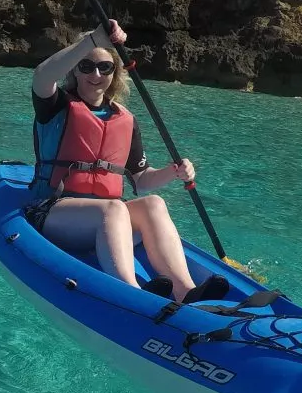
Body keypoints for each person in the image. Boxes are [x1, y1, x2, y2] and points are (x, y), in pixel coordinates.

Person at [29, 21, 228, 304]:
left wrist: (174, 172)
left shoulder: (125, 119)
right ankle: (130, 291)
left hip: (108, 222)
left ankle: (185, 291)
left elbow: (141, 179)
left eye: (104, 67)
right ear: (74, 69)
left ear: (115, 73)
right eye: (86, 66)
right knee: (113, 209)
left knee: (154, 204)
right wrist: (92, 40)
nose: (95, 74)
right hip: (53, 213)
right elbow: (42, 76)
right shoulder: (56, 105)